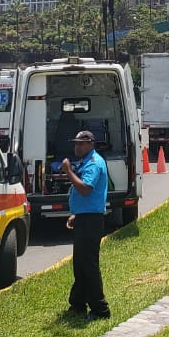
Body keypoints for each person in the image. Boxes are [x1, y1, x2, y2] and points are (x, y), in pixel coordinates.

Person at [61, 130, 111, 320]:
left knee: (88, 265)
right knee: (80, 264)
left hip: (91, 221)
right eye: (75, 144)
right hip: (85, 217)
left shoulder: (94, 163)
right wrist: (77, 214)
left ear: (91, 144)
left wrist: (68, 171)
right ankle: (78, 304)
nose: (77, 147)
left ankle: (100, 309)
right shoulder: (87, 161)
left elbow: (84, 189)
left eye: (81, 144)